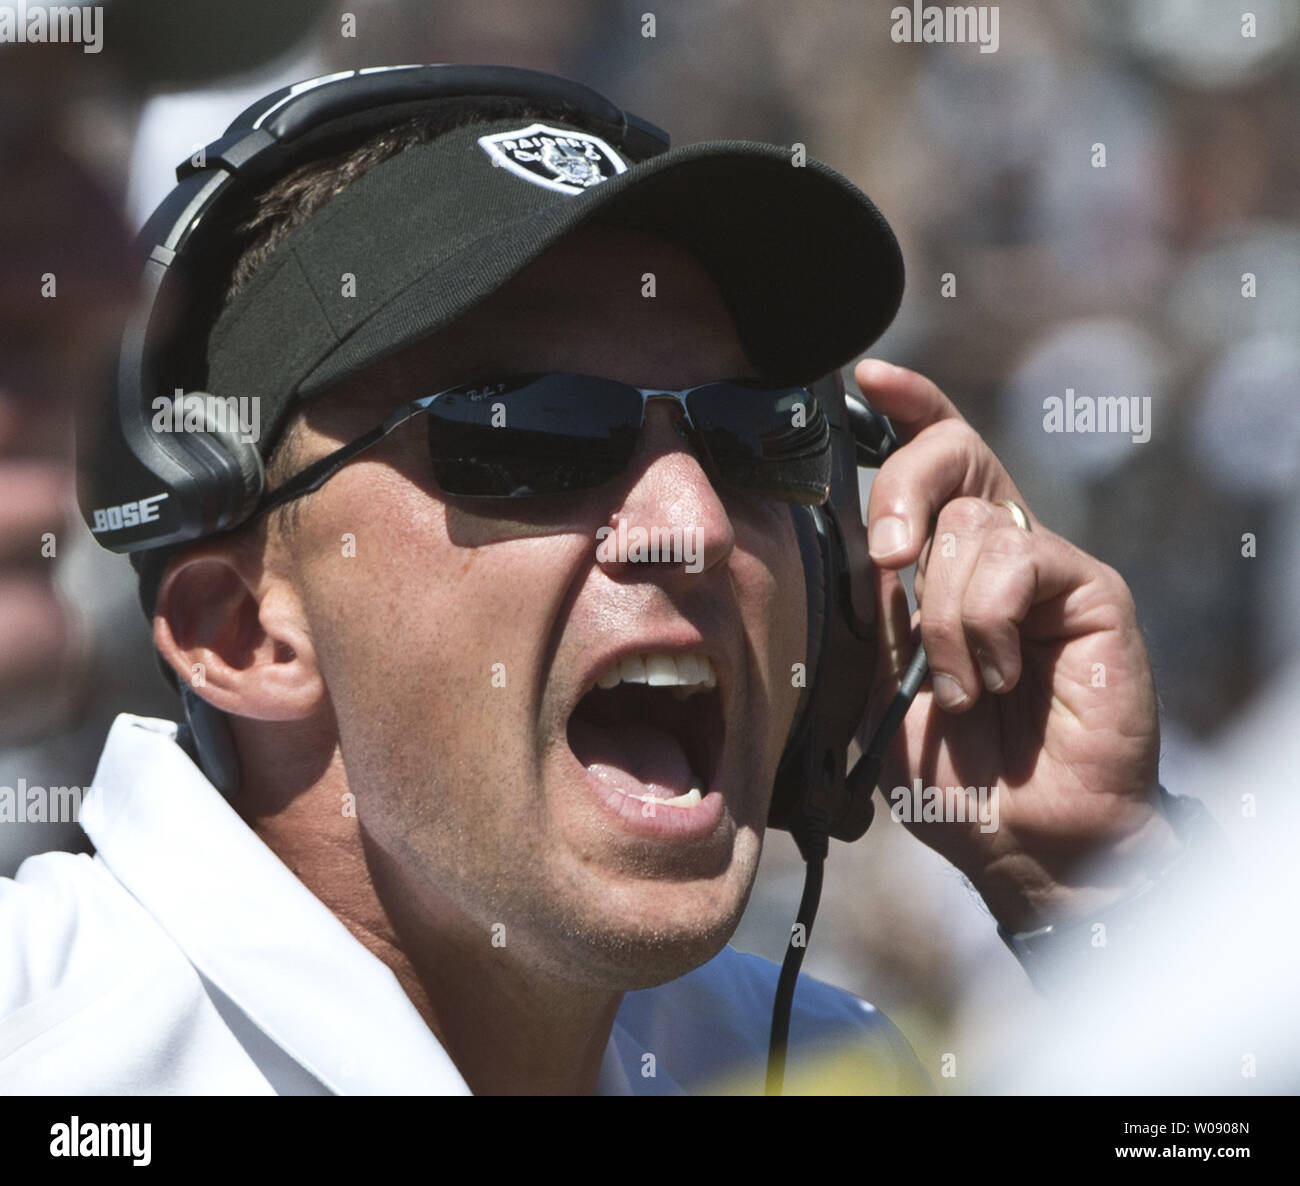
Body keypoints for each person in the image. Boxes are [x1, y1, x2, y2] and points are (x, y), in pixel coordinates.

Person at [0, 66, 1208, 1095]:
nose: (693, 523)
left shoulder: (819, 1060)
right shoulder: (40, 1034)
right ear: (243, 633)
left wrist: (1098, 884)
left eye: (756, 432)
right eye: (530, 429)